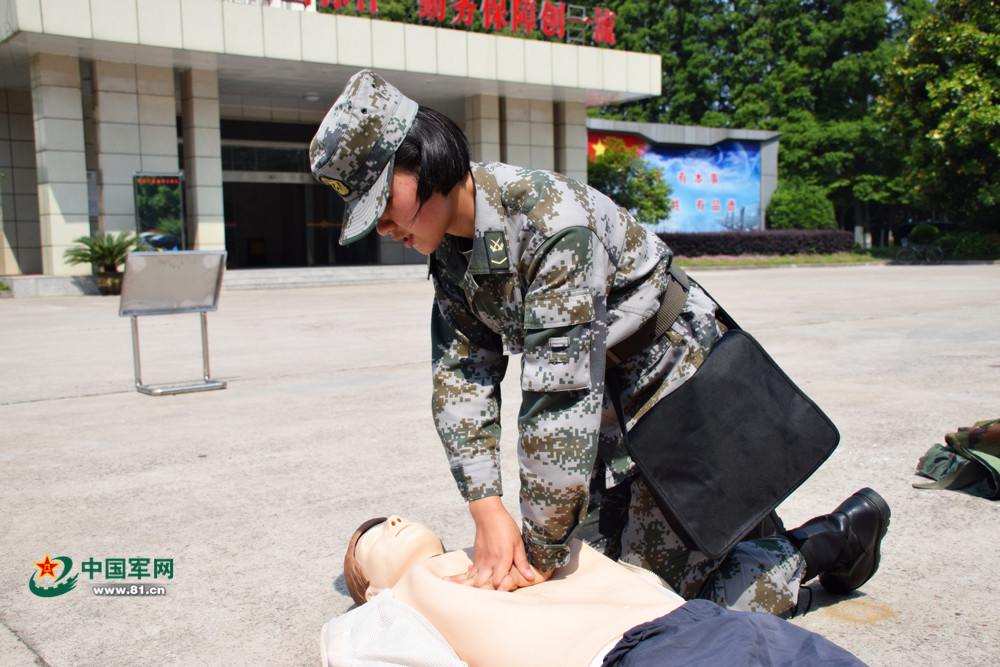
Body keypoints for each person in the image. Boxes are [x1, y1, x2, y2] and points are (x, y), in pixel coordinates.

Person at [309, 69, 892, 616]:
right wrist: (486, 509)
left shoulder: (548, 222)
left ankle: (828, 542)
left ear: (424, 157)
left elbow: (559, 401)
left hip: (675, 386)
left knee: (655, 609)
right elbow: (461, 377)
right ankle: (721, 529)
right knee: (594, 570)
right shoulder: (449, 254)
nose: (384, 228)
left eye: (382, 203)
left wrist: (533, 554)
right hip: (606, 402)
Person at [322, 514, 865, 666]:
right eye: (370, 537)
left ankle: (831, 538)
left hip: (714, 624)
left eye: (389, 515)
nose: (391, 519)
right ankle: (833, 536)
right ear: (369, 588)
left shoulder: (507, 540)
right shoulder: (393, 607)